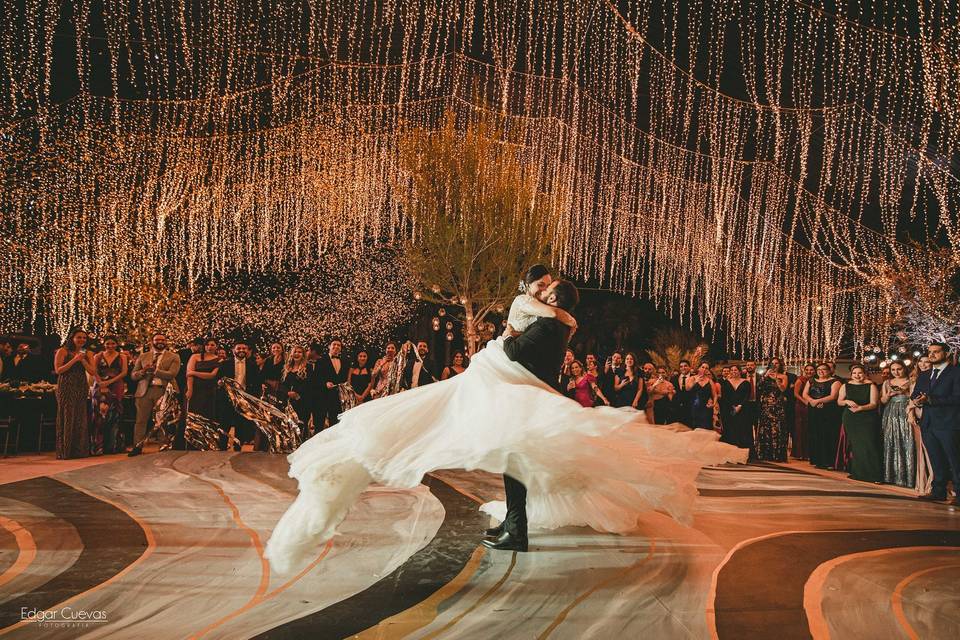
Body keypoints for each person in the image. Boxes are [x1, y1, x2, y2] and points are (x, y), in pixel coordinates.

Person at [264, 270, 747, 573]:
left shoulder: (550, 325)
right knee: (516, 463)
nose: (540, 288)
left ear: (556, 297)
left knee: (502, 454)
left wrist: (500, 340)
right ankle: (515, 526)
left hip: (515, 398)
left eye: (547, 288)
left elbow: (514, 352)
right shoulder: (555, 322)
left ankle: (516, 529)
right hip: (512, 398)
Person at [911, 342, 960, 505]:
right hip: (928, 423)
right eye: (929, 352)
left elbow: (957, 398)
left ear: (946, 353)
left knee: (954, 459)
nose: (931, 355)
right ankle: (938, 491)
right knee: (935, 458)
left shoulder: (956, 373)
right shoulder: (925, 375)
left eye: (936, 352)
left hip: (949, 423)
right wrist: (917, 401)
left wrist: (931, 400)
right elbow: (915, 394)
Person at [129, 332, 180, 457]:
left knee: (163, 421)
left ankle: (163, 447)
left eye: (162, 340)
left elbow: (172, 374)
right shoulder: (143, 356)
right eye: (157, 340)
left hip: (164, 391)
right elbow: (133, 376)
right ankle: (137, 447)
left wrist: (155, 371)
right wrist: (143, 371)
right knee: (141, 420)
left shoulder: (174, 356)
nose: (160, 342)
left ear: (166, 342)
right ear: (152, 342)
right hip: (144, 391)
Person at [53, 328, 96, 459]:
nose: (82, 340)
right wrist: (74, 360)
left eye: (84, 338)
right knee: (67, 415)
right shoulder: (63, 351)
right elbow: (58, 370)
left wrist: (83, 360)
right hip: (66, 385)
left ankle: (79, 451)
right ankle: (65, 450)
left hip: (81, 385)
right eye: (79, 337)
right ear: (72, 338)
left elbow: (92, 371)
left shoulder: (88, 353)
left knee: (80, 416)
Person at [839, 364, 883, 483]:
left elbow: (874, 404)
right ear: (851, 375)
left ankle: (875, 475)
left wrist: (861, 408)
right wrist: (846, 401)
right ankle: (859, 473)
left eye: (860, 373)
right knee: (856, 446)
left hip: (867, 417)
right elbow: (839, 401)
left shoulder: (871, 386)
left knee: (870, 444)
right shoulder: (845, 386)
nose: (857, 375)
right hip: (850, 418)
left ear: (864, 374)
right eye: (854, 373)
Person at [216, 340, 262, 450]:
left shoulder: (253, 365)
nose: (241, 350)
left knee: (241, 424)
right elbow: (218, 378)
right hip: (227, 398)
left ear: (247, 350)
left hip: (244, 399)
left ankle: (238, 448)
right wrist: (220, 383)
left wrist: (252, 399)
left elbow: (257, 383)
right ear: (233, 351)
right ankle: (222, 447)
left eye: (244, 348)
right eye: (239, 348)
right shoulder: (225, 363)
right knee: (224, 422)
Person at [881, 361, 915, 488]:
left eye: (899, 369)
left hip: (906, 410)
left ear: (904, 369)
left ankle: (909, 477)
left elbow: (914, 398)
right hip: (890, 412)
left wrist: (905, 393)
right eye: (893, 369)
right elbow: (882, 400)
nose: (896, 372)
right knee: (890, 440)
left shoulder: (911, 381)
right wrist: (889, 395)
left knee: (907, 440)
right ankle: (890, 476)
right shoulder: (887, 383)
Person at [803, 364, 842, 469]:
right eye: (819, 369)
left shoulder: (835, 382)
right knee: (815, 434)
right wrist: (811, 401)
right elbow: (805, 394)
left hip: (829, 411)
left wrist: (818, 401)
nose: (821, 371)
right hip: (814, 410)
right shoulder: (811, 381)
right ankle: (817, 460)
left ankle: (829, 461)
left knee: (828, 435)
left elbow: (833, 396)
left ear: (829, 371)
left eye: (823, 369)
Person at [908, 356, 934, 495]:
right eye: (921, 361)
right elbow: (911, 399)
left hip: (931, 414)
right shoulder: (914, 378)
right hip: (917, 416)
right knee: (922, 451)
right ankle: (923, 484)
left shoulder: (935, 379)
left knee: (932, 451)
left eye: (927, 362)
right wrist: (911, 414)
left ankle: (934, 483)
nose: (923, 364)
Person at [755, 360, 789, 461]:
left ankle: (777, 455)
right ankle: (765, 454)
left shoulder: (783, 376)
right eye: (772, 363)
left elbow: (783, 389)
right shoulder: (765, 375)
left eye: (776, 363)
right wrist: (765, 376)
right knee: (765, 427)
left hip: (777, 405)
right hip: (765, 405)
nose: (774, 365)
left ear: (780, 365)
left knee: (777, 428)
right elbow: (758, 387)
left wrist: (776, 379)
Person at [316, 339, 349, 429]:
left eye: (339, 345)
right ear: (329, 346)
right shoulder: (320, 360)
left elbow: (344, 379)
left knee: (334, 423)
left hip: (337, 397)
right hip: (323, 395)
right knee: (320, 421)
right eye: (334, 344)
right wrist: (325, 383)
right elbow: (317, 377)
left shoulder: (345, 362)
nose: (336, 347)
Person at [720, 364, 752, 452]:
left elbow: (747, 396)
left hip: (743, 409)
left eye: (736, 370)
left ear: (739, 371)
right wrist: (733, 407)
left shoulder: (746, 382)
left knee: (743, 428)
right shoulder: (726, 382)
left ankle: (742, 449)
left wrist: (740, 406)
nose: (734, 372)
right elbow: (724, 396)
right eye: (732, 370)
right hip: (729, 409)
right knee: (730, 428)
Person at [185, 338, 220, 420]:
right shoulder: (195, 356)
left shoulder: (219, 360)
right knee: (191, 413)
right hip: (194, 388)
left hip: (208, 389)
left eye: (212, 345)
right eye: (207, 345)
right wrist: (190, 389)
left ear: (216, 346)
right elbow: (189, 375)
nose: (209, 347)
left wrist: (194, 373)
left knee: (206, 414)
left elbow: (212, 375)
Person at [94, 336, 128, 410]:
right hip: (100, 384)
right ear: (104, 344)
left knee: (115, 408)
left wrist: (109, 382)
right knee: (99, 408)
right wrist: (101, 384)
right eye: (107, 344)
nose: (110, 346)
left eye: (113, 343)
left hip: (116, 384)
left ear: (116, 344)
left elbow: (124, 372)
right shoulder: (98, 356)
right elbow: (94, 372)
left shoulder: (122, 356)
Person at [280, 346, 312, 424]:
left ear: (303, 355)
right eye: (295, 352)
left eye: (299, 352)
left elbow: (309, 384)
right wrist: (288, 393)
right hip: (287, 402)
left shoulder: (308, 367)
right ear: (291, 354)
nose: (297, 353)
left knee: (300, 426)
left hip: (302, 402)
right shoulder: (286, 367)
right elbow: (282, 384)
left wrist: (297, 393)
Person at [792, 364, 816, 459]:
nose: (809, 371)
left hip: (812, 405)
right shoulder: (800, 380)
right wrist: (805, 402)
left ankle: (808, 453)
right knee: (801, 428)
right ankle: (800, 453)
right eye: (807, 370)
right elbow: (796, 394)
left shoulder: (815, 380)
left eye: (811, 370)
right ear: (804, 370)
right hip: (801, 406)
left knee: (809, 428)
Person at [685, 362, 716, 430]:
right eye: (702, 367)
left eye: (706, 368)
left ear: (708, 370)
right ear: (699, 368)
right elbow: (687, 389)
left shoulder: (710, 381)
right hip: (694, 406)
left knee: (706, 427)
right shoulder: (692, 378)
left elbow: (715, 395)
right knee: (695, 427)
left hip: (706, 408)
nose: (704, 369)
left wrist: (713, 404)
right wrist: (696, 381)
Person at [671, 360, 694, 426]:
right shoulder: (674, 378)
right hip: (677, 408)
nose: (683, 368)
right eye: (681, 366)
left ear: (689, 367)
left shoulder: (694, 377)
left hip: (690, 407)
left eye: (685, 366)